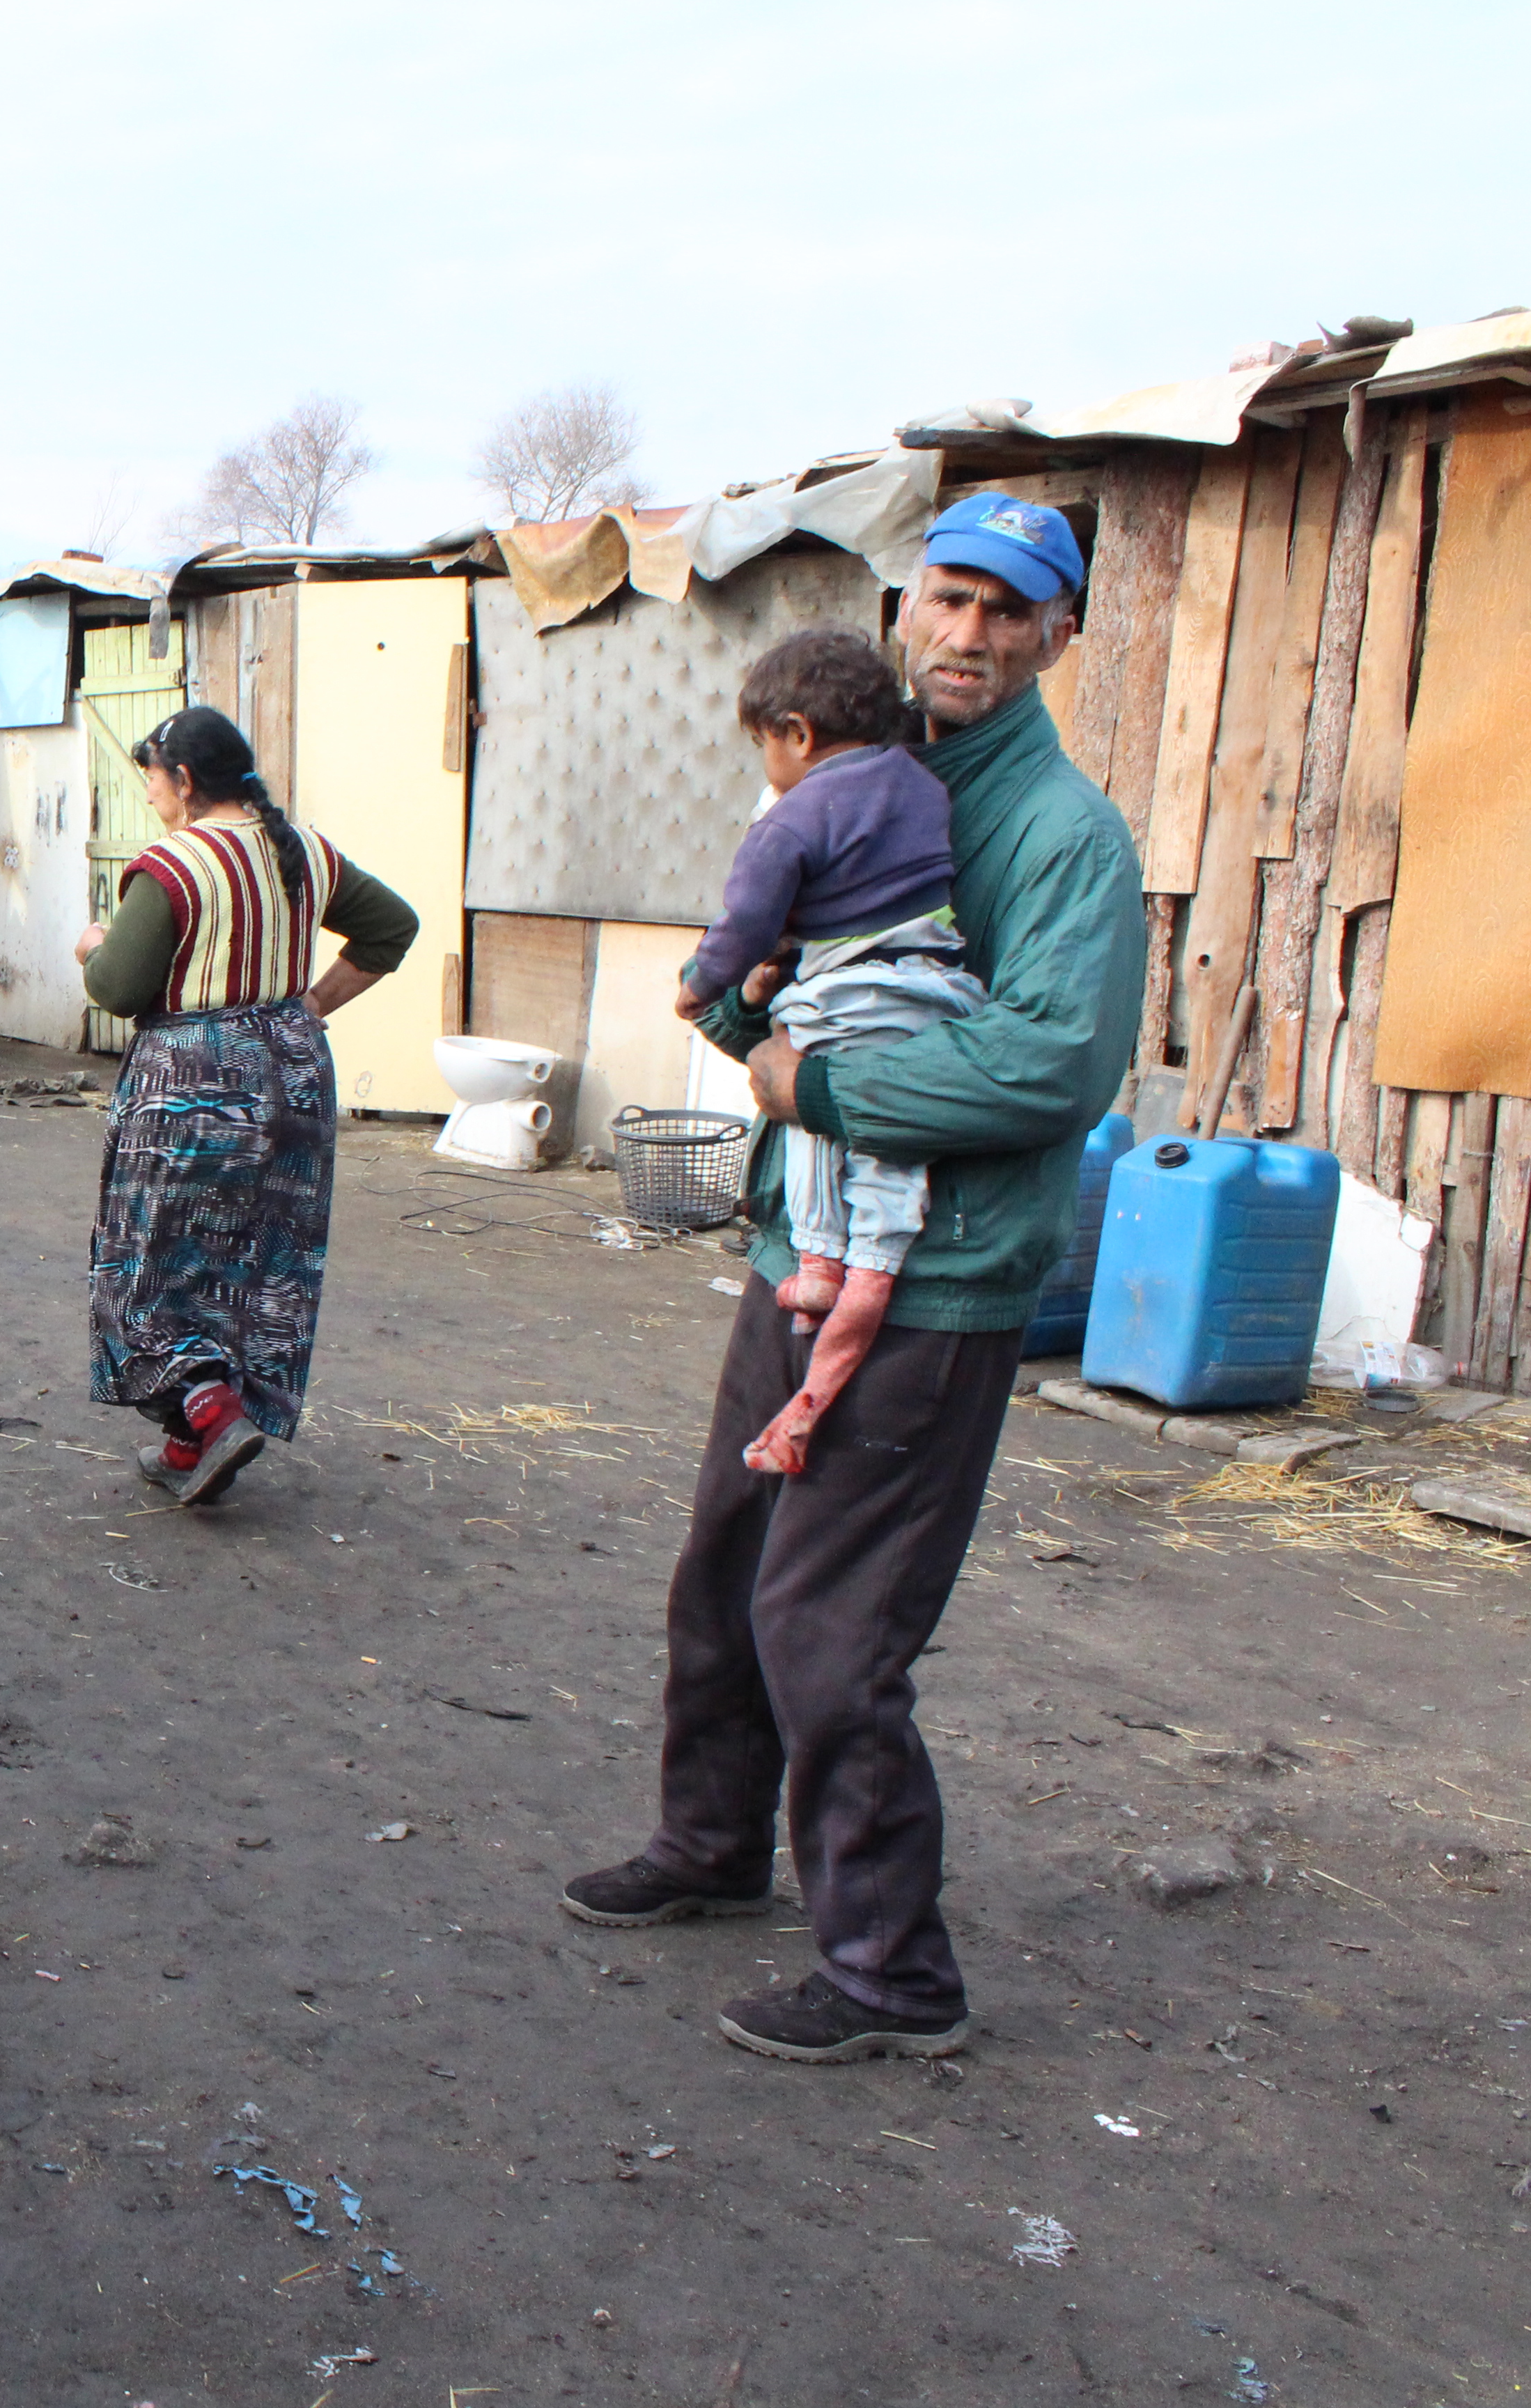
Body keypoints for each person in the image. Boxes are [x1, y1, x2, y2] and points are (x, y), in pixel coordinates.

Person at [561, 493, 1144, 2064]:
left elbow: (1049, 1070)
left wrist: (809, 1088)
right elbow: (773, 983)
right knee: (728, 1570)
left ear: (1058, 637)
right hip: (797, 1248)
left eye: (1008, 613)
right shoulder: (865, 781)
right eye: (948, 600)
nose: (968, 635)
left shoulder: (1061, 835)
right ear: (905, 613)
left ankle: (894, 1975)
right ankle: (710, 1846)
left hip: (937, 1283)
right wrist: (754, 1037)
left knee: (833, 1625)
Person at [73, 705, 418, 1504]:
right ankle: (195, 1445)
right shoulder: (304, 852)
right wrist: (309, 1007)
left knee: (155, 1257)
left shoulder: (177, 865)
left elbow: (118, 989)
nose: (152, 796)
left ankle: (207, 1408)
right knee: (259, 1258)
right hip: (294, 1076)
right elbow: (392, 928)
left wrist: (93, 945)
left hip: (194, 1085)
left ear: (186, 780)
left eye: (154, 780)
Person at [671, 628, 984, 1476]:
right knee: (890, 1174)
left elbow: (747, 918)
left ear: (799, 734)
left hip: (846, 1002)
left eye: (764, 746)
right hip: (933, 990)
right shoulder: (924, 784)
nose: (766, 767)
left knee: (813, 1120)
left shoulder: (796, 813)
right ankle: (860, 1289)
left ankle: (817, 1272)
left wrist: (704, 981)